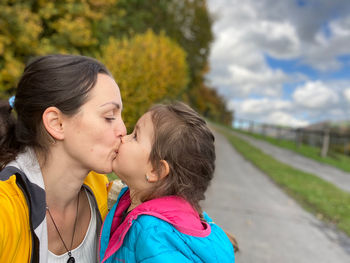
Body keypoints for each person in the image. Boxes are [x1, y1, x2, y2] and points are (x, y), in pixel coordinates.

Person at [0, 54, 127, 263]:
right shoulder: (5, 210)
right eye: (109, 117)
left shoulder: (103, 192)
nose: (123, 130)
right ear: (56, 123)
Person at [99, 102, 235, 262]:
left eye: (135, 136)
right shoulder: (131, 199)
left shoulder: (153, 235)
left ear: (156, 170)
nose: (124, 137)